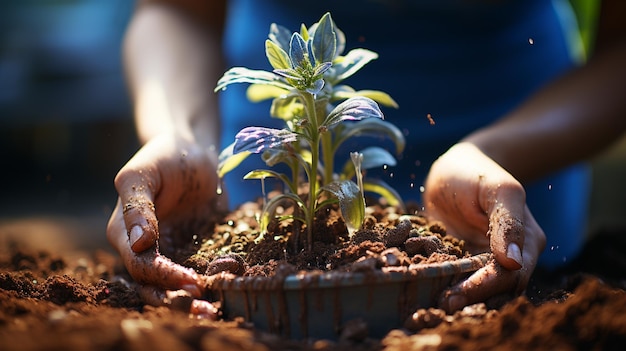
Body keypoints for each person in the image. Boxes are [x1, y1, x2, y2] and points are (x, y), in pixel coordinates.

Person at [107, 0, 626, 317]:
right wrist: (181, 134)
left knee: (520, 300)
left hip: (519, 129)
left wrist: (494, 152)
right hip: (279, 113)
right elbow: (176, 7)